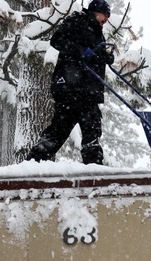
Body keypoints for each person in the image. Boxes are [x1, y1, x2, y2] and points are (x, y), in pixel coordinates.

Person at [23, 0, 114, 165]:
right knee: (59, 131)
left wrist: (105, 57)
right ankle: (31, 165)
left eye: (108, 16)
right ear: (95, 12)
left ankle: (94, 171)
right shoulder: (77, 21)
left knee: (92, 133)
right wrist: (81, 51)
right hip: (70, 88)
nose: (106, 19)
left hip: (88, 92)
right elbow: (57, 40)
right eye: (104, 15)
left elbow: (95, 55)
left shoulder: (97, 32)